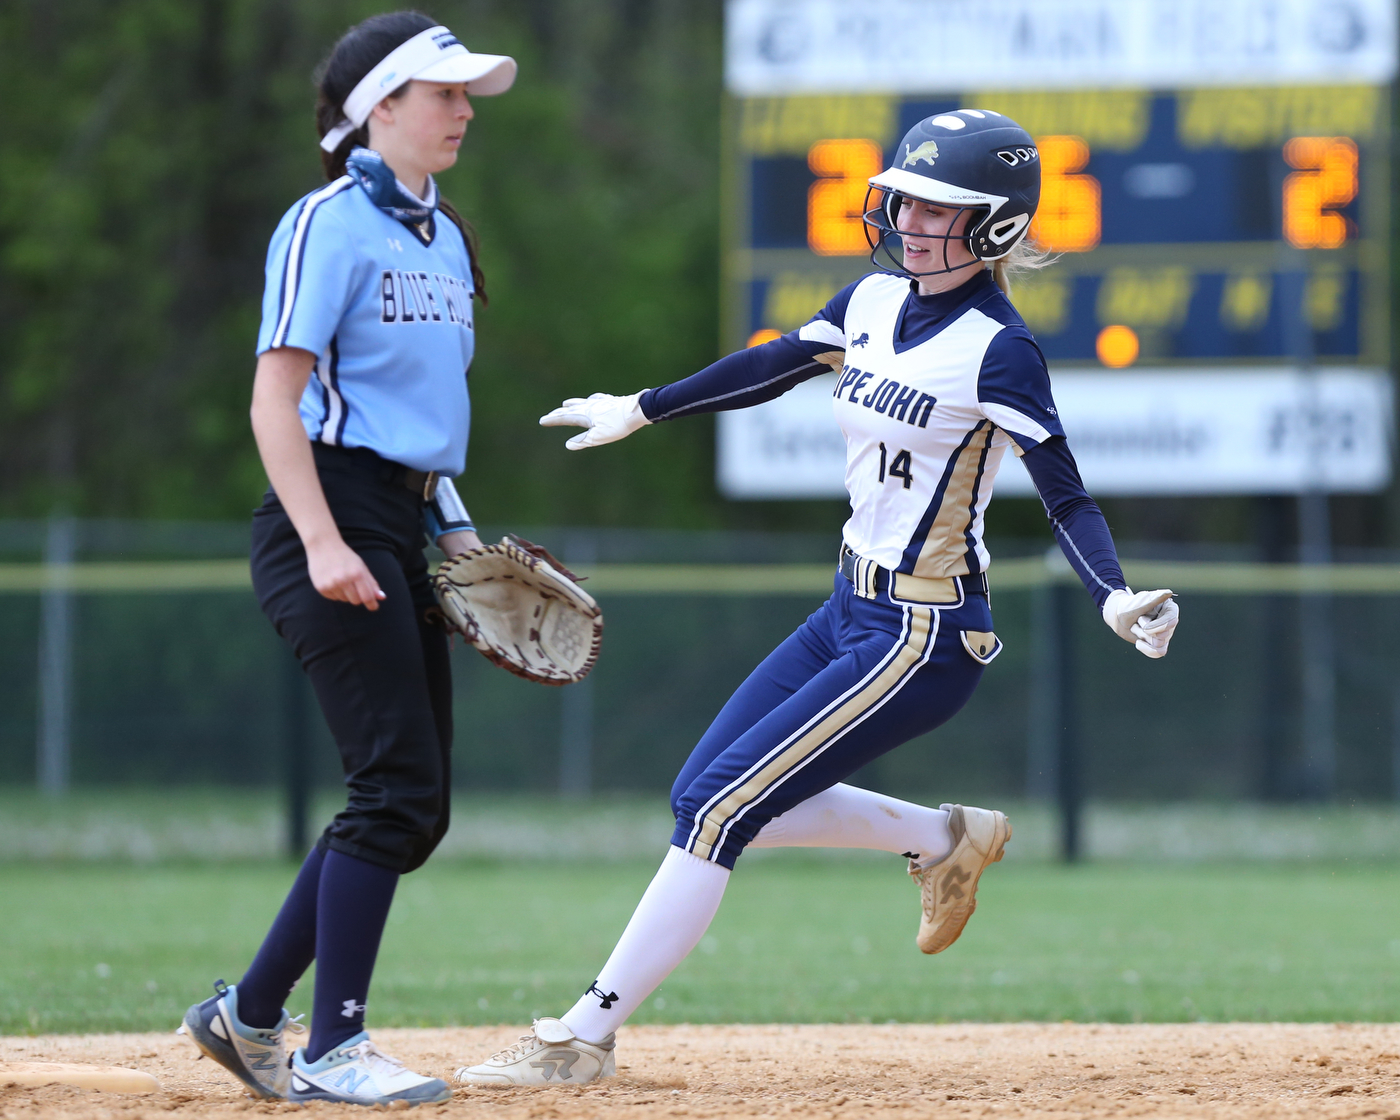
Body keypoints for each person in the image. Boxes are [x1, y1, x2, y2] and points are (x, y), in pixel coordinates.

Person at [454, 109, 1180, 1087]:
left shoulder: (996, 348)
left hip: (924, 631)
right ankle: (941, 837)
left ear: (997, 227)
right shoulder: (874, 300)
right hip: (847, 607)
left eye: (940, 207)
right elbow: (772, 362)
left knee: (715, 810)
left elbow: (1065, 492)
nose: (910, 217)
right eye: (907, 197)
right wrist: (641, 407)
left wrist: (1111, 595)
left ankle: (581, 1034)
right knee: (699, 797)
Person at [179, 12, 515, 1106]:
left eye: (467, 95)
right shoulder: (325, 222)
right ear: (380, 106)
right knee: (393, 788)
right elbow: (275, 399)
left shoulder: (446, 236)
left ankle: (250, 1016)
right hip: (324, 514)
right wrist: (323, 540)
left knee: (414, 807)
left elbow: (417, 420)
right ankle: (332, 1050)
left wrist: (456, 531)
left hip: (407, 519)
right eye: (444, 93)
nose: (463, 110)